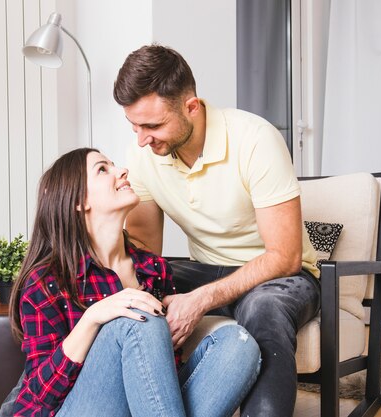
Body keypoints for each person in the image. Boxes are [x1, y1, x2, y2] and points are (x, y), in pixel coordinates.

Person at [113, 45, 321, 417]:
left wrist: (202, 300)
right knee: (126, 295)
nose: (143, 139)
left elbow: (284, 256)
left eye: (153, 126)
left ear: (192, 106)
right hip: (207, 267)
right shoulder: (143, 153)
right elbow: (144, 247)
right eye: (135, 126)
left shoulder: (256, 139)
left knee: (262, 306)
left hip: (283, 275)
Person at [4, 148, 260, 417]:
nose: (122, 171)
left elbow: (155, 383)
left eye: (113, 164)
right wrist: (93, 318)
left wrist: (167, 324)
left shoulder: (153, 269)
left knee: (238, 344)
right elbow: (38, 397)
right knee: (136, 315)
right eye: (103, 169)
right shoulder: (47, 281)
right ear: (79, 201)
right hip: (73, 409)